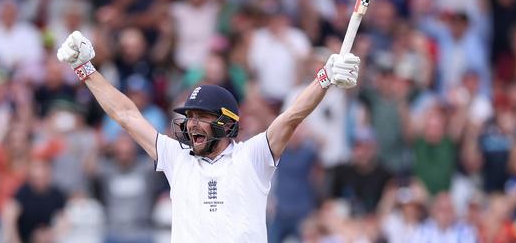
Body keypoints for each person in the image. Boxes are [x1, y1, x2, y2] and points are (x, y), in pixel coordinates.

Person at [56, 30, 360, 242]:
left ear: (226, 123)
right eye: (190, 117)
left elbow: (291, 117)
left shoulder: (252, 157)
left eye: (202, 117)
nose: (191, 125)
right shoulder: (178, 159)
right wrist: (85, 69)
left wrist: (324, 79)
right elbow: (126, 115)